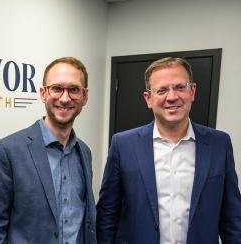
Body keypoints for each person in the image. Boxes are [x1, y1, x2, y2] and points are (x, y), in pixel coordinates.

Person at [96, 57, 241, 244]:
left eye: (180, 87)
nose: (172, 97)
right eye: (162, 90)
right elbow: (108, 213)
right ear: (148, 99)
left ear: (192, 91)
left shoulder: (219, 144)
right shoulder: (123, 145)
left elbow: (232, 215)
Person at [0, 57, 97, 244]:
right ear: (43, 94)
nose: (65, 98)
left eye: (74, 90)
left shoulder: (84, 152)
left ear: (84, 97)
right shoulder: (9, 151)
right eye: (57, 88)